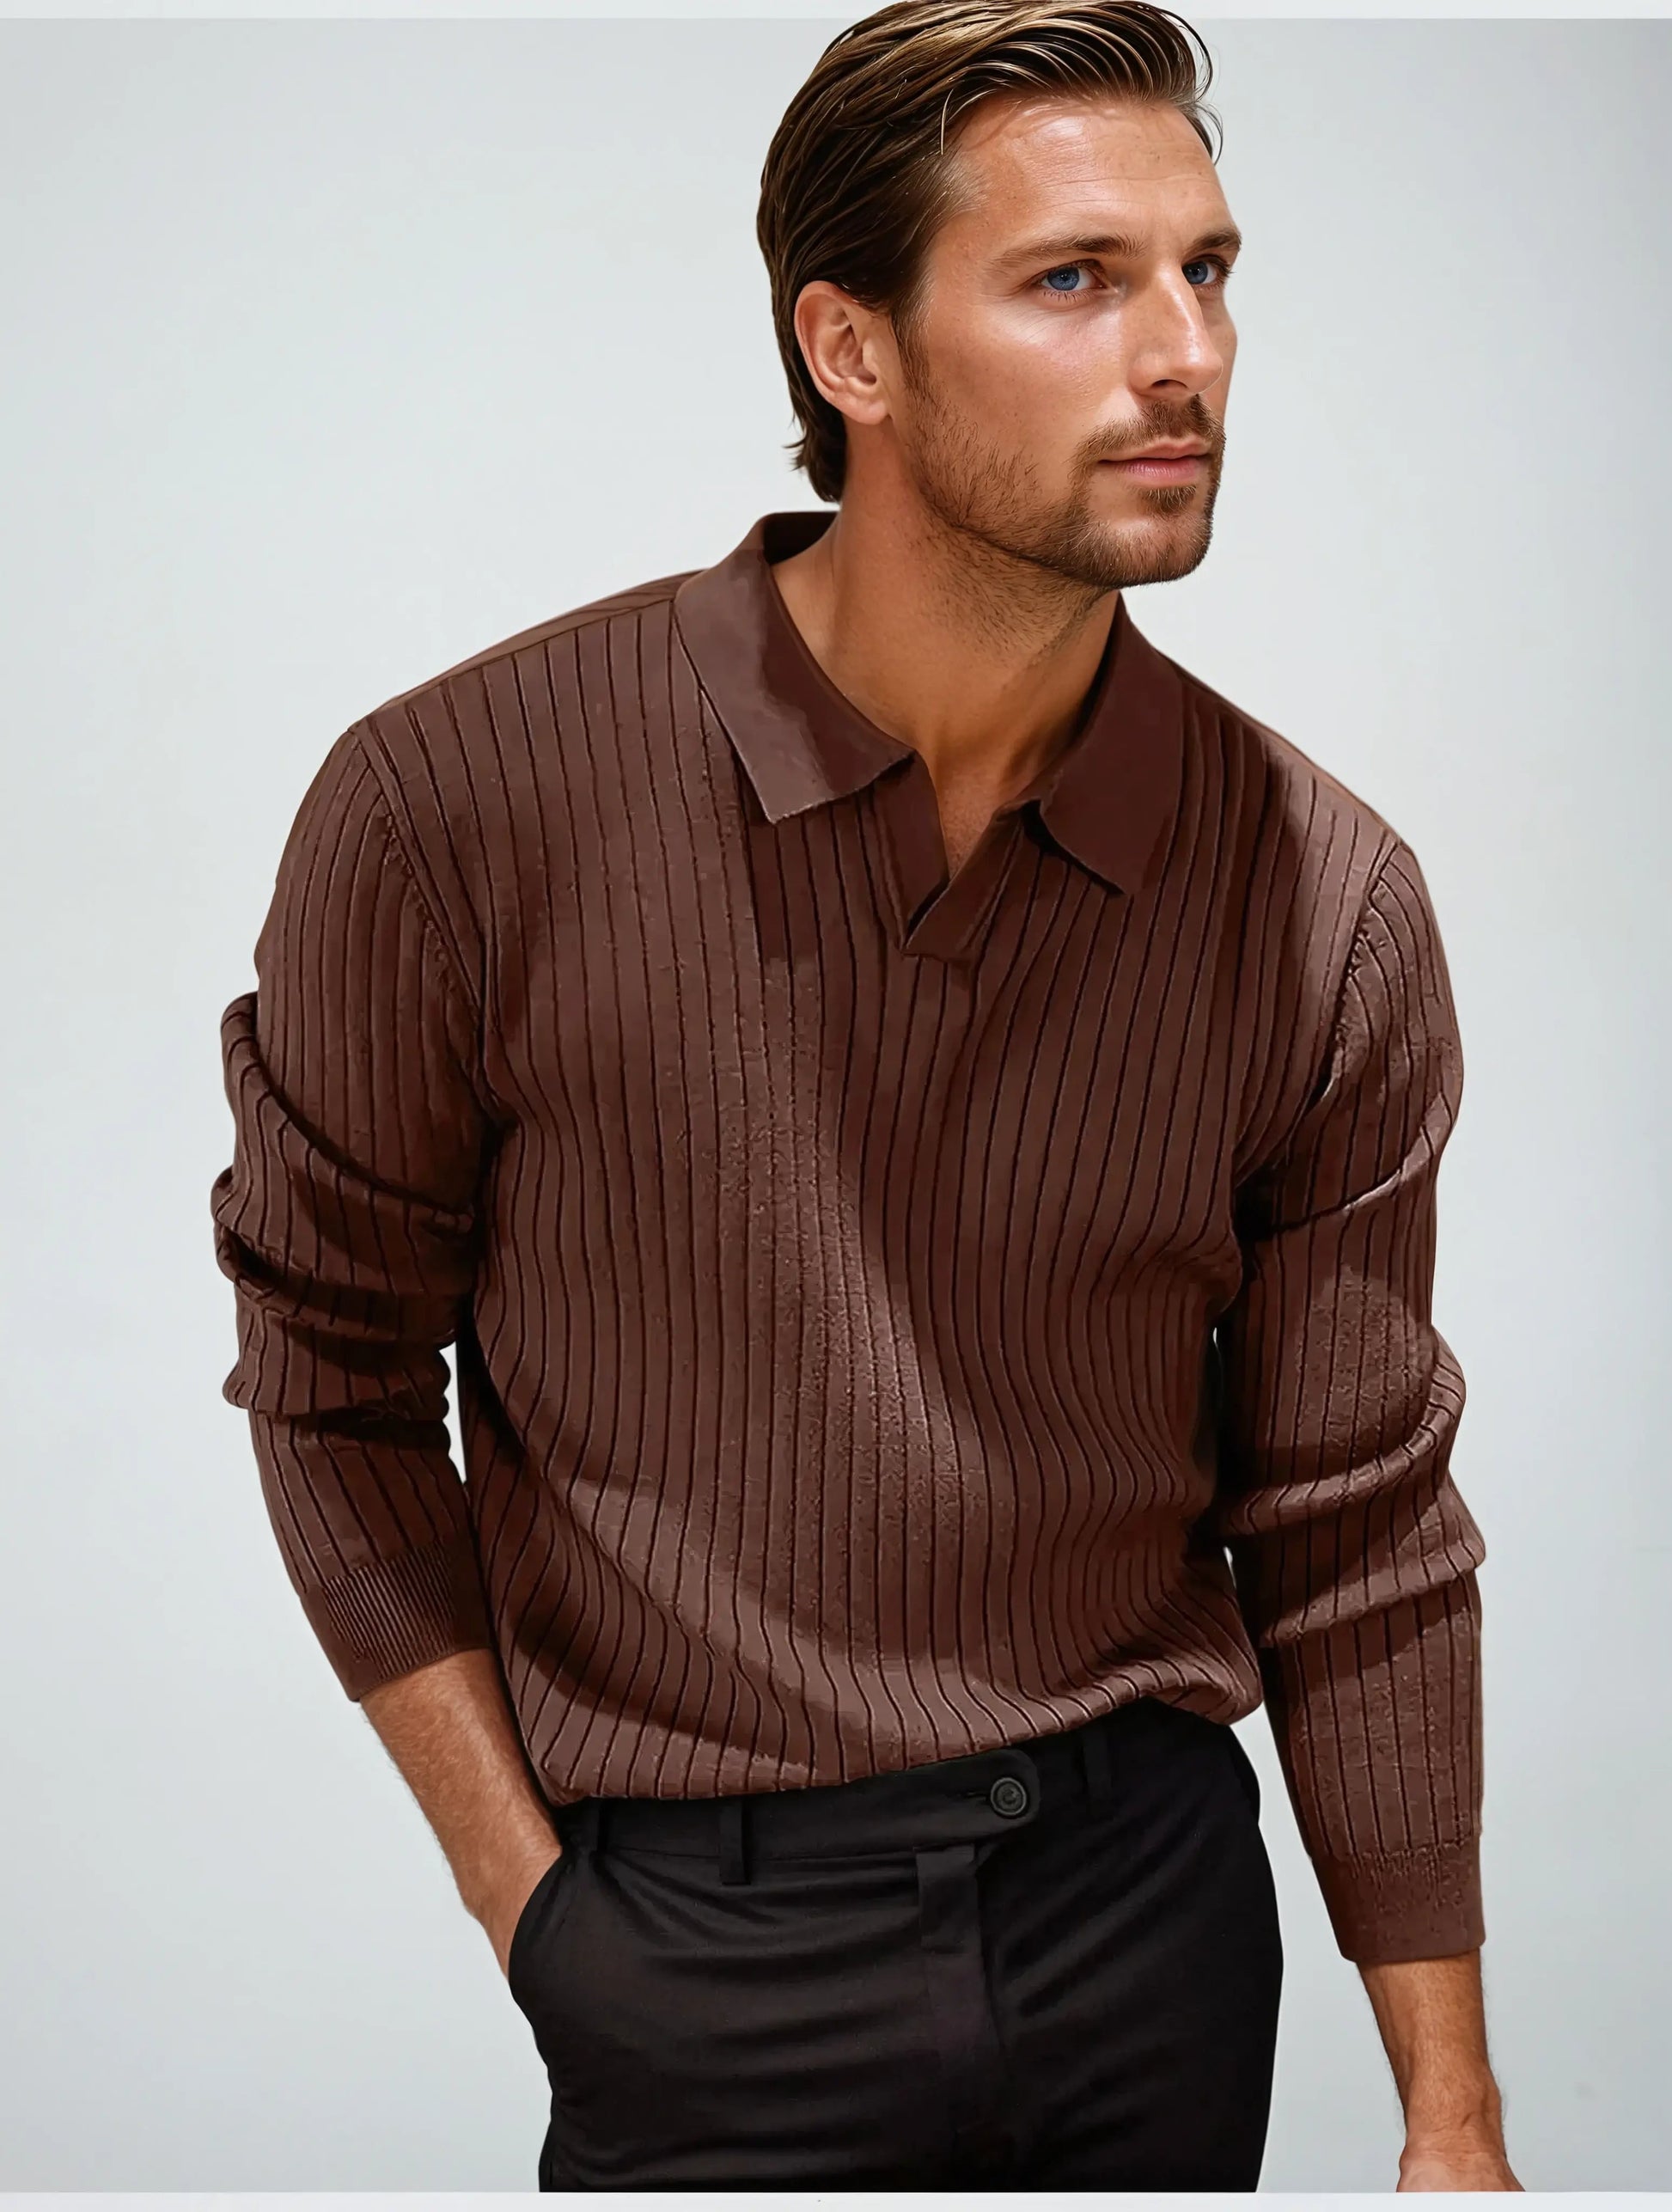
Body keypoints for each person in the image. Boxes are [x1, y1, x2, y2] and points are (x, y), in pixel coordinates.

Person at [210, 0, 1519, 2189]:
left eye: (1205, 271)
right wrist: (544, 1923)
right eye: (1074, 279)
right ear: (852, 349)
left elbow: (1355, 1522)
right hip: (694, 1938)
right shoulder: (452, 809)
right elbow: (328, 1378)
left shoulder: (1325, 894)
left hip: (1147, 1923)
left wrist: (1451, 2124)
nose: (1185, 353)